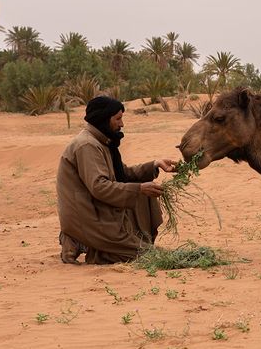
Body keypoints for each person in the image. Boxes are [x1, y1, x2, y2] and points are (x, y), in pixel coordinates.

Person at [56, 96, 178, 264]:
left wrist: (155, 165)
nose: (122, 124)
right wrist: (139, 189)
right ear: (103, 119)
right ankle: (91, 246)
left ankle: (94, 242)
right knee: (143, 255)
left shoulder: (100, 141)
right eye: (118, 119)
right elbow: (99, 187)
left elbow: (123, 173)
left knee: (142, 194)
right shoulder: (87, 145)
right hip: (89, 214)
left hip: (98, 207)